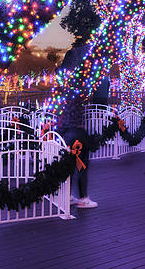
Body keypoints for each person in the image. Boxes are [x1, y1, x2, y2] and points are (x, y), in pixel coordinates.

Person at [57, 41, 98, 209]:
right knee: (82, 164)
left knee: (69, 165)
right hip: (76, 130)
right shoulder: (77, 85)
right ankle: (83, 198)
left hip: (63, 129)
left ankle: (68, 196)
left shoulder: (61, 82)